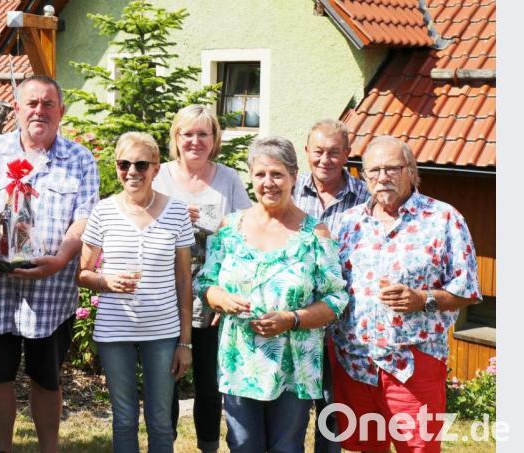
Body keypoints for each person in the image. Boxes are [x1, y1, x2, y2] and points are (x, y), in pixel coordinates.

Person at [0, 75, 100, 453]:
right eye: (31, 103)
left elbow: (84, 218)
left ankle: (48, 449)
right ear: (16, 109)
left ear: (61, 112)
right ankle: (2, 447)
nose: (40, 110)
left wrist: (63, 258)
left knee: (47, 379)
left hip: (51, 293)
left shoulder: (80, 159)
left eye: (48, 104)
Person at [195, 136, 349, 453]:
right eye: (261, 174)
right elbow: (205, 281)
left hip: (294, 365)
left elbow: (336, 300)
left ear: (294, 176)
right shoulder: (230, 228)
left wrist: (291, 319)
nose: (269, 183)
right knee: (243, 445)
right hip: (241, 362)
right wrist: (220, 298)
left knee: (287, 447)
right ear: (251, 177)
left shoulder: (315, 233)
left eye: (277, 174)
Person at [330, 135, 481, 452]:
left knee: (419, 448)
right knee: (367, 448)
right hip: (355, 362)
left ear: (412, 172)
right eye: (373, 170)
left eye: (392, 168)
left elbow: (466, 289)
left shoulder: (443, 219)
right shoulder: (348, 223)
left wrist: (423, 299)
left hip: (413, 363)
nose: (382, 177)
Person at [77, 131, 194, 453]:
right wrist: (106, 282)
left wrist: (185, 342)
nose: (132, 172)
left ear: (156, 168)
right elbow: (83, 273)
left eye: (141, 164)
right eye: (123, 164)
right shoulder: (103, 211)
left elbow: (184, 281)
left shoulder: (177, 212)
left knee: (159, 418)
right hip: (115, 331)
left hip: (163, 331)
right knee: (124, 417)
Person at [152, 104, 251, 453]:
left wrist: (227, 223)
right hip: (164, 291)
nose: (195, 141)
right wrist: (170, 215)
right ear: (176, 138)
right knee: (165, 381)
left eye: (203, 134)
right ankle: (164, 445)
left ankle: (208, 447)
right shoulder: (158, 175)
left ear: (215, 139)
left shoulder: (228, 178)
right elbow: (136, 219)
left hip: (214, 292)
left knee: (210, 383)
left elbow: (248, 230)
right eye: (187, 134)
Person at [292, 119, 369, 453]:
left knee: (333, 412)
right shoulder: (289, 190)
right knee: (291, 411)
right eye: (318, 151)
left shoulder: (367, 197)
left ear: (347, 154)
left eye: (334, 152)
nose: (325, 160)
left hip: (346, 322)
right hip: (294, 318)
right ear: (306, 151)